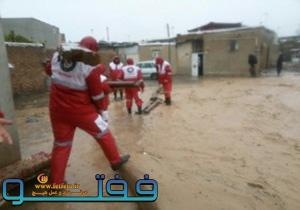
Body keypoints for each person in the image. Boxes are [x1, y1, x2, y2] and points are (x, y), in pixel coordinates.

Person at [45, 36, 129, 184]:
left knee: (61, 145)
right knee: (103, 132)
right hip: (82, 111)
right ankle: (115, 161)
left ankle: (56, 182)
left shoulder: (57, 55)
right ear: (94, 50)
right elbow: (97, 94)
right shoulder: (91, 65)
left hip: (57, 110)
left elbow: (50, 71)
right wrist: (102, 112)